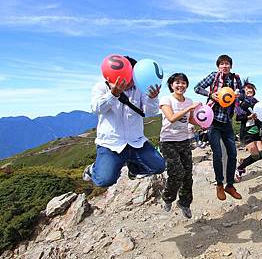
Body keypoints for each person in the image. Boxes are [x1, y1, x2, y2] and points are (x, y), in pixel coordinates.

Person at [83, 56, 166, 187]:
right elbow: (96, 108)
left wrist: (152, 98)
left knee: (159, 166)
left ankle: (134, 168)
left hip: (136, 141)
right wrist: (113, 94)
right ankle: (92, 169)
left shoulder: (140, 88)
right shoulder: (101, 87)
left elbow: (150, 112)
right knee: (105, 180)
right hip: (111, 144)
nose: (131, 81)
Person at [194, 55, 243, 200]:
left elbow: (241, 94)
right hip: (213, 120)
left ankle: (230, 185)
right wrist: (211, 94)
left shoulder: (235, 78)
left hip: (227, 121)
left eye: (227, 64)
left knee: (233, 154)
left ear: (231, 66)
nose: (224, 66)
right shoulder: (214, 76)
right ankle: (219, 184)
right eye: (222, 64)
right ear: (218, 66)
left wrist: (236, 96)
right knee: (218, 154)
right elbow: (197, 87)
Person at [159, 73, 201, 219]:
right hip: (168, 141)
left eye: (183, 83)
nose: (180, 85)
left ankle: (184, 203)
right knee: (176, 172)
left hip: (184, 141)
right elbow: (171, 118)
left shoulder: (188, 100)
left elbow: (190, 119)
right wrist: (189, 108)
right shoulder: (166, 99)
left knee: (188, 175)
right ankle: (168, 198)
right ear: (171, 85)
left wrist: (203, 121)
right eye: (177, 82)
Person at [234, 81, 262, 182]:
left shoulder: (256, 102)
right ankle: (240, 168)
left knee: (261, 154)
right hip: (247, 133)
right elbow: (238, 118)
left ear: (253, 91)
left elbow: (261, 115)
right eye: (246, 89)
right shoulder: (242, 103)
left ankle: (244, 161)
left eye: (251, 89)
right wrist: (249, 117)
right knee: (255, 155)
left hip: (256, 132)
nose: (249, 90)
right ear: (244, 91)